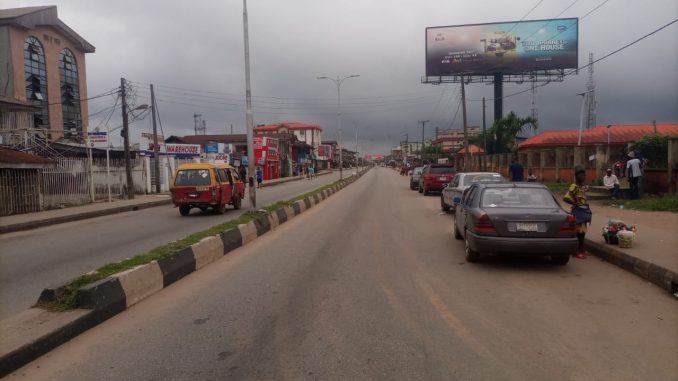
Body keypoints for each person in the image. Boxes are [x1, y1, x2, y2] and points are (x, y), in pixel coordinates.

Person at [564, 165, 592, 259]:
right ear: (576, 176)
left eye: (584, 175)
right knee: (578, 233)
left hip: (584, 212)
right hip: (578, 213)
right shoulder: (574, 186)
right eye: (581, 175)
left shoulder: (582, 187)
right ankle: (576, 251)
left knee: (583, 233)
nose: (583, 177)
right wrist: (575, 203)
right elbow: (566, 197)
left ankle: (582, 250)